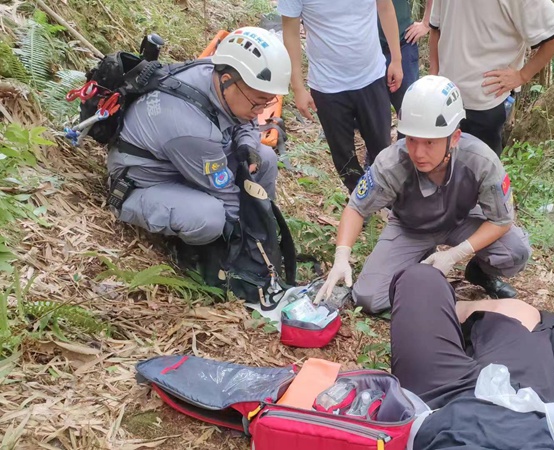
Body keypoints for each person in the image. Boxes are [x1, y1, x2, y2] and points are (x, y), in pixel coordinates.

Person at [314, 75, 531, 314]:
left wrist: (456, 254)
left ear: (454, 138)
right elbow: (356, 207)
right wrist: (341, 256)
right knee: (369, 298)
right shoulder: (391, 162)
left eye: (430, 142)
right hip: (411, 228)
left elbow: (501, 220)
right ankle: (418, 262)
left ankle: (480, 272)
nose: (418, 152)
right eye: (412, 140)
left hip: (462, 222)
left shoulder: (481, 161)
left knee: (515, 250)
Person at [106, 27, 290, 249]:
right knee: (210, 218)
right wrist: (244, 242)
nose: (260, 110)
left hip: (186, 161)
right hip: (146, 181)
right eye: (258, 102)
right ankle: (191, 247)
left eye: (267, 102)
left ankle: (262, 224)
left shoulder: (218, 75)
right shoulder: (190, 127)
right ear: (227, 80)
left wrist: (247, 145)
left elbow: (246, 120)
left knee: (265, 157)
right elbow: (226, 197)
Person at [391, 263, 554, 449]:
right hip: (518, 403)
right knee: (519, 312)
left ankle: (447, 321)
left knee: (419, 278)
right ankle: (455, 317)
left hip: (435, 409)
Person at [279, 0, 404, 193]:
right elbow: (291, 32)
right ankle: (360, 202)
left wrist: (396, 59)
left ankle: (387, 197)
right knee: (344, 157)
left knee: (382, 147)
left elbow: (385, 7)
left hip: (372, 76)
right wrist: (298, 87)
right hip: (327, 85)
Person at [429, 0, 554, 156]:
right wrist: (434, 76)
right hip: (444, 97)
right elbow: (436, 28)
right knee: (440, 165)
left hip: (485, 101)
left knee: (481, 171)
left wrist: (522, 75)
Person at [378, 0, 433, 139]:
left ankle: (406, 154)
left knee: (408, 109)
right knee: (375, 112)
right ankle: (377, 157)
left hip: (403, 45)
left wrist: (427, 23)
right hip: (368, 52)